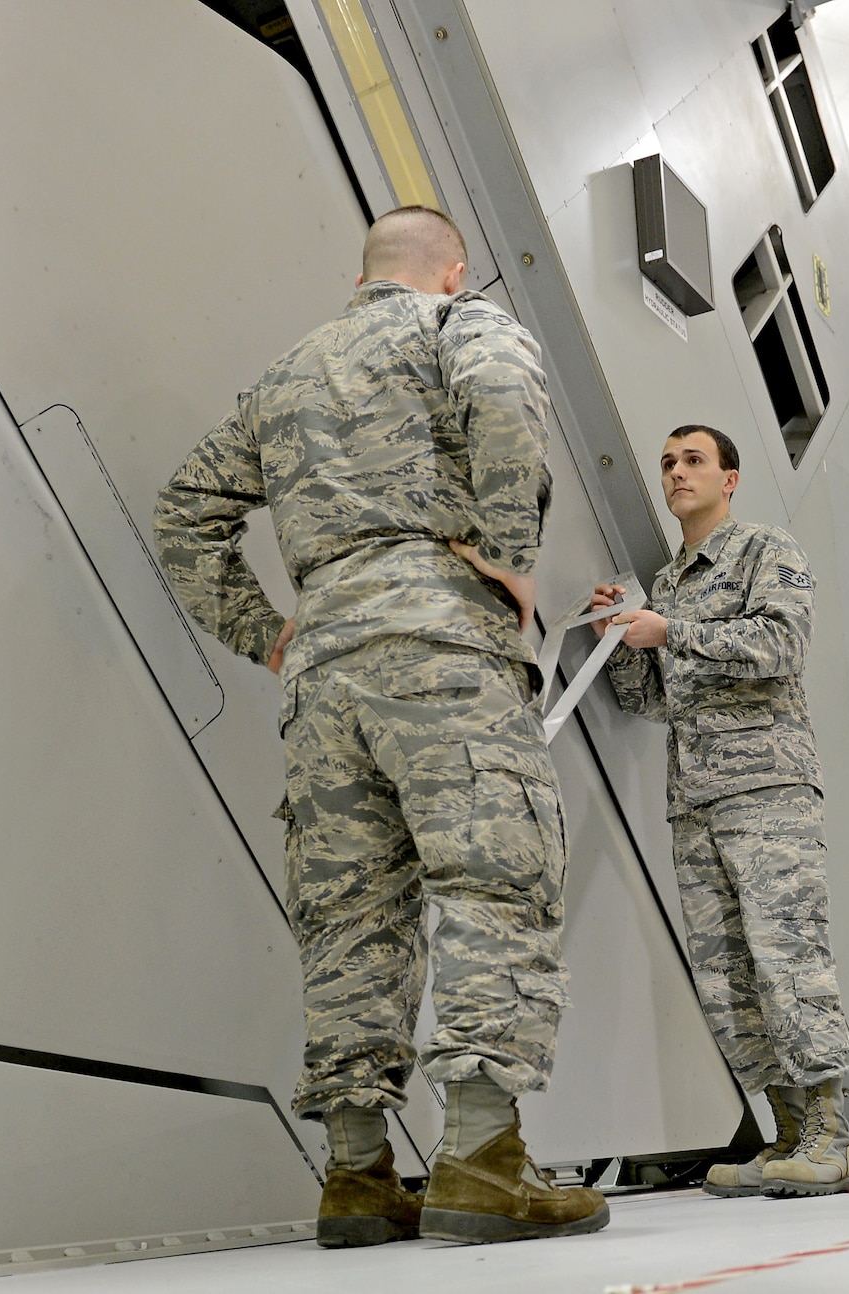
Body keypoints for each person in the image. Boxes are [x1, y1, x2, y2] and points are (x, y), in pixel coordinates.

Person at [154, 205, 608, 1246]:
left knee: (351, 918)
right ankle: (484, 1161)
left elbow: (183, 509)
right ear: (450, 269)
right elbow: (503, 394)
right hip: (440, 644)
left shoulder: (282, 379)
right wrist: (507, 548)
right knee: (494, 883)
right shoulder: (456, 325)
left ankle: (358, 1175)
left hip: (323, 674)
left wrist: (264, 631)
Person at [588, 425, 849, 1199]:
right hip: (695, 802)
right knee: (728, 976)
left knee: (788, 957)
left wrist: (670, 631)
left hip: (767, 789)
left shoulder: (763, 551)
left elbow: (781, 644)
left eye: (693, 460)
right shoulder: (665, 583)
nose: (677, 472)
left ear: (729, 478)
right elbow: (646, 702)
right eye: (668, 462)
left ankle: (832, 1138)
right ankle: (783, 1137)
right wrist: (626, 638)